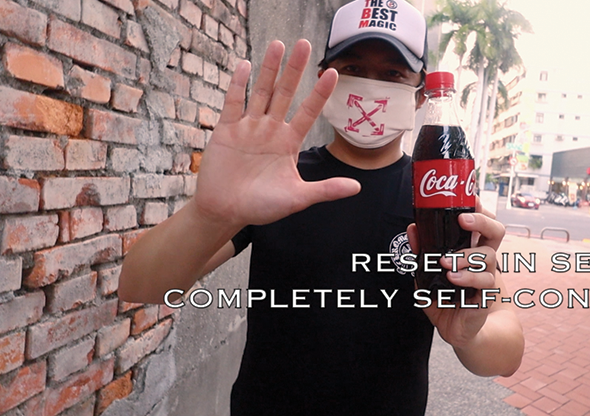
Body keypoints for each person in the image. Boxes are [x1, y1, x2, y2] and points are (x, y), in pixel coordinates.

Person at [119, 1, 524, 414]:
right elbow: (141, 285)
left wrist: (469, 335)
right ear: (323, 79)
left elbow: (507, 350)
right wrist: (209, 214)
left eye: (392, 74)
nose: (371, 86)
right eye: (353, 68)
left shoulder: (438, 194)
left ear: (420, 95)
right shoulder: (276, 182)